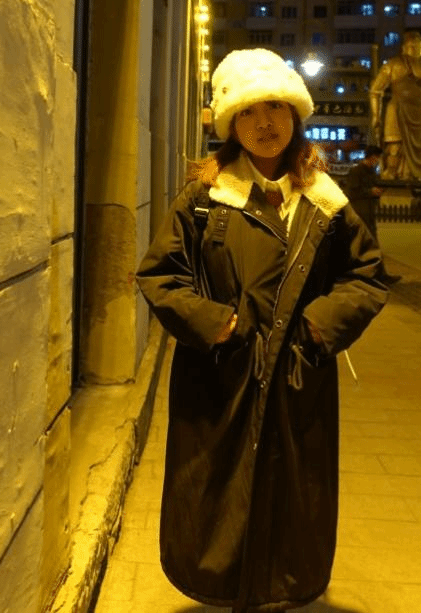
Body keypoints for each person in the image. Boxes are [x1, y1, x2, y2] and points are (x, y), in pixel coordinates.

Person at [136, 49, 388, 612]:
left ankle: (273, 590)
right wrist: (215, 323)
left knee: (291, 495)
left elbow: (367, 276)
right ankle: (229, 588)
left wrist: (319, 328)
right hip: (220, 381)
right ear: (231, 125)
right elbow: (160, 275)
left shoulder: (325, 202)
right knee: (218, 499)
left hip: (298, 380)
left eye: (275, 106)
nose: (264, 123)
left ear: (294, 114)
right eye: (248, 111)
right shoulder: (205, 199)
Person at [369, 30, 421, 182]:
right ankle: (393, 170)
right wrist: (376, 115)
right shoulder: (393, 65)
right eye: (411, 46)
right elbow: (375, 90)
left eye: (417, 46)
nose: (414, 49)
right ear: (404, 48)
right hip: (398, 108)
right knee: (395, 145)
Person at [342, 146, 401, 284]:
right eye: (377, 158)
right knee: (367, 246)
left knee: (369, 245)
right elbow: (351, 192)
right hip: (360, 214)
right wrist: (370, 192)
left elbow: (372, 188)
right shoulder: (356, 171)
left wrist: (378, 191)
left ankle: (377, 274)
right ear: (371, 157)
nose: (377, 161)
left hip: (369, 213)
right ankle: (375, 275)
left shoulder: (371, 172)